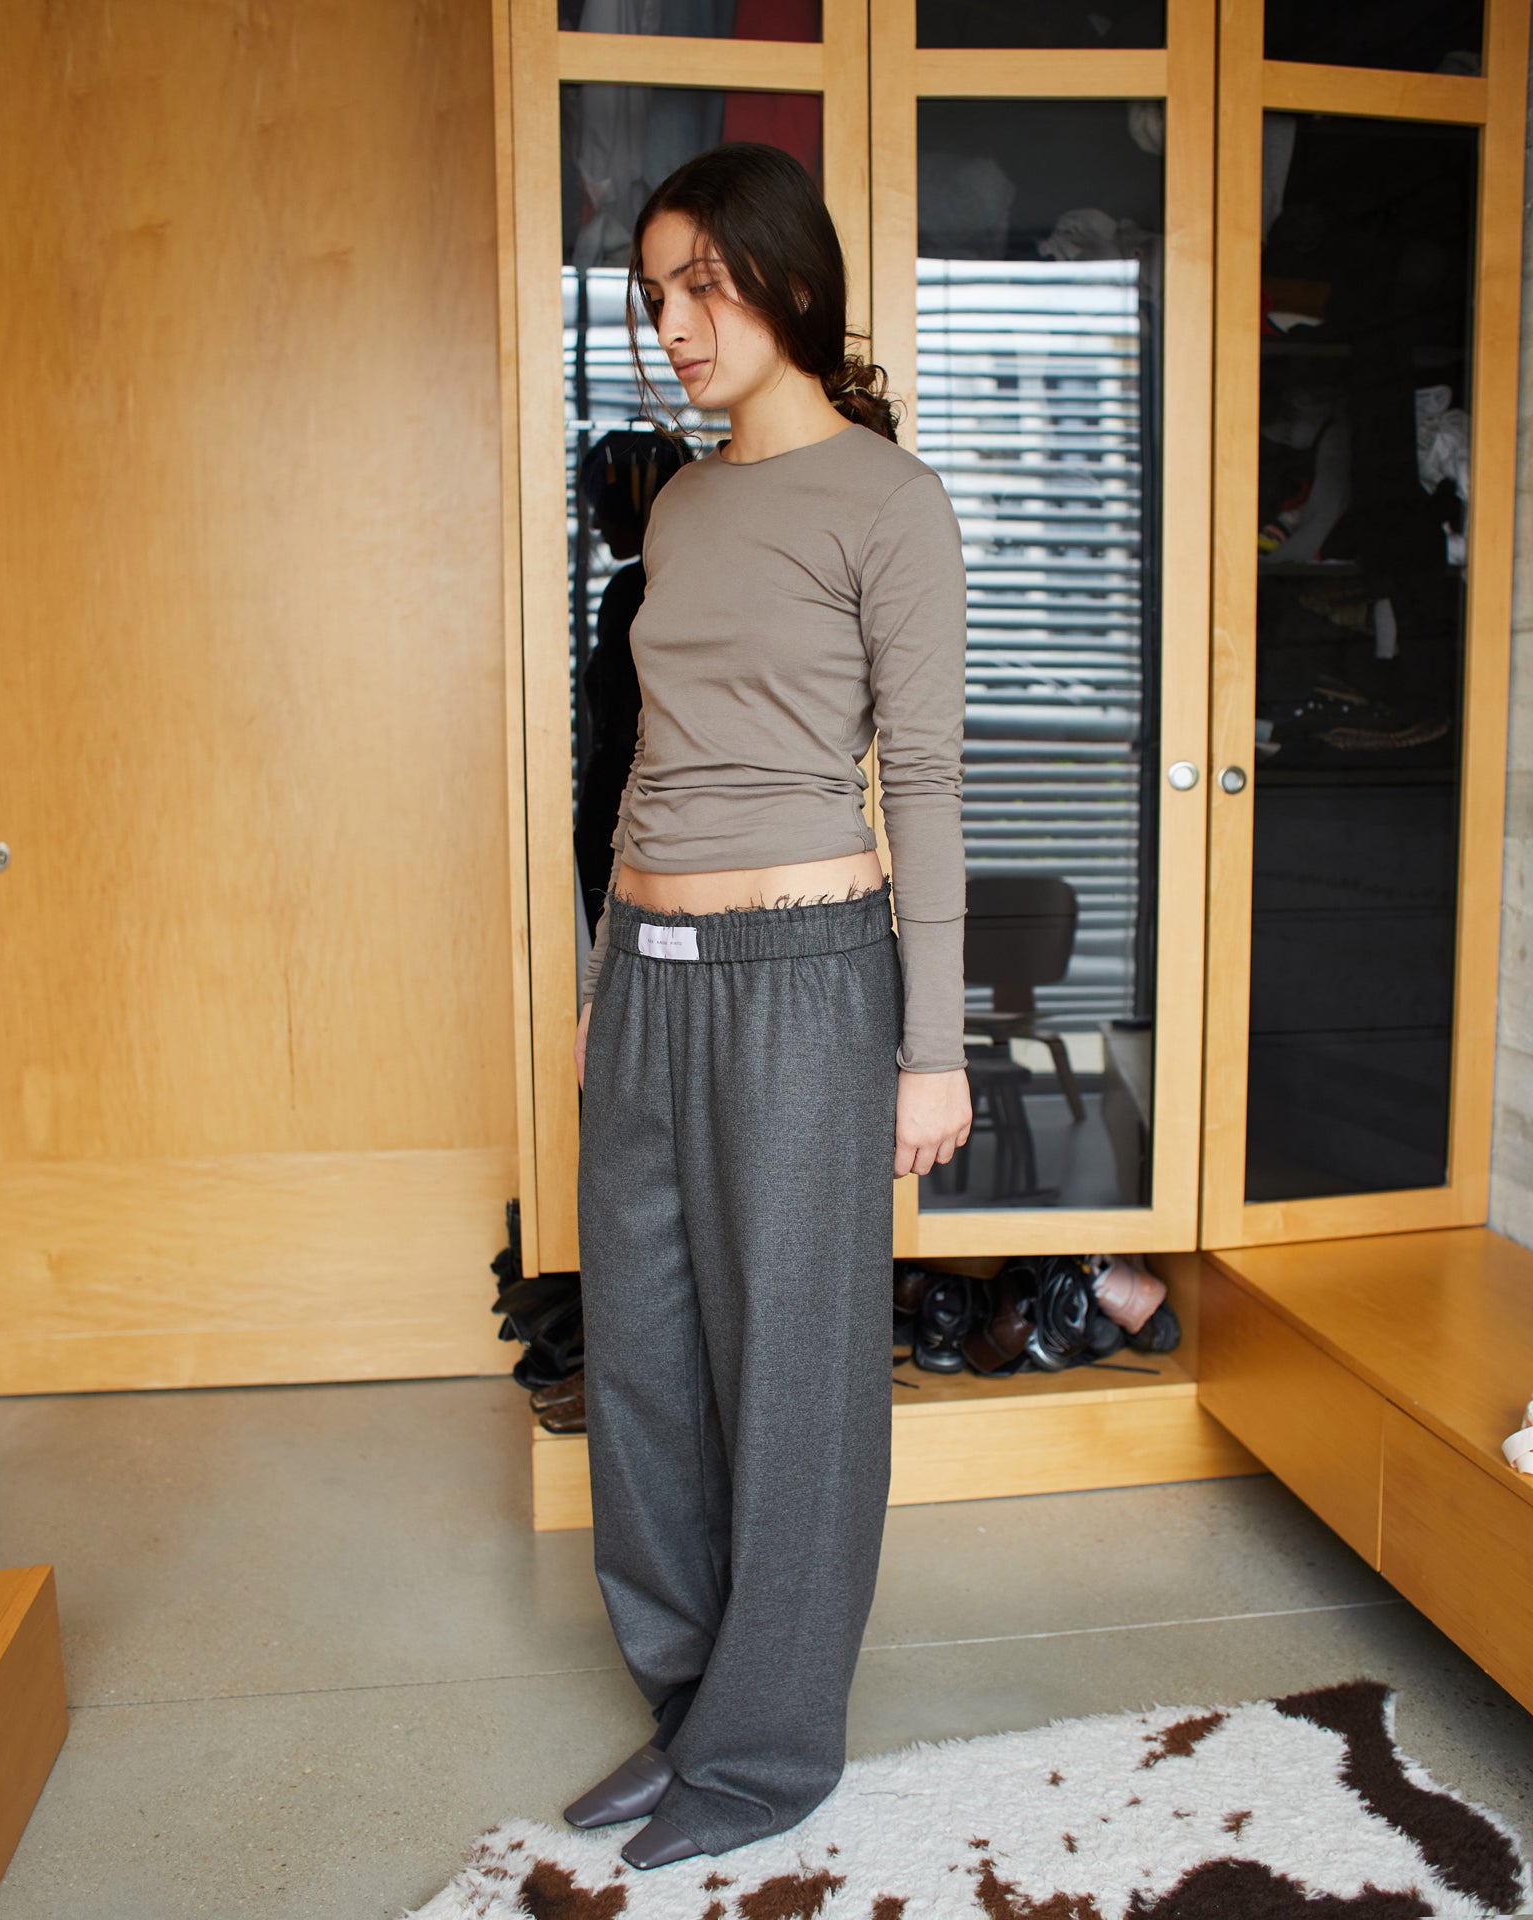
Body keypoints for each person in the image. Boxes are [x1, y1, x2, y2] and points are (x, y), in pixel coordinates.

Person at [565, 140, 973, 1871]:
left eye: (701, 286)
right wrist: (604, 978)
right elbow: (648, 767)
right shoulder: (679, 505)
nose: (672, 324)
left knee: (797, 1373)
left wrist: (934, 1051)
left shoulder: (889, 500)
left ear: (788, 282)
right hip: (649, 983)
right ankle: (688, 1712)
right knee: (646, 1365)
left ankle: (766, 1753)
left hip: (808, 978)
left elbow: (928, 780)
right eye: (653, 294)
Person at [574, 429, 693, 945]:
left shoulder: (634, 591)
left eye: (604, 503)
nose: (595, 522)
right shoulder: (671, 586)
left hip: (625, 809)